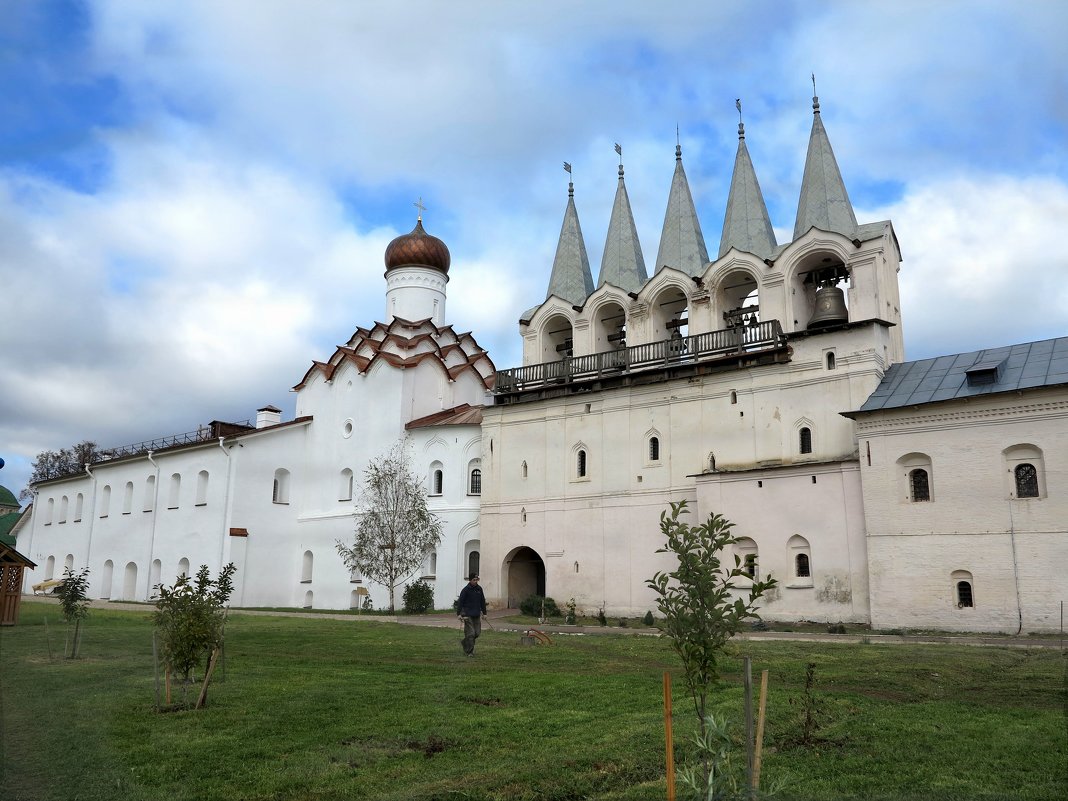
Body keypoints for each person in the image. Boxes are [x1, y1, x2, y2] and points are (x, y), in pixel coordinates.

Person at [457, 574, 487, 656]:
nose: (475, 581)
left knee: (477, 633)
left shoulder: (479, 589)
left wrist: (484, 613)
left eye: (477, 580)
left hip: (476, 614)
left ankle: (465, 642)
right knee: (471, 634)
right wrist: (459, 614)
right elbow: (460, 602)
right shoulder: (465, 590)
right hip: (467, 615)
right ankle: (469, 652)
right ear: (470, 580)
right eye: (474, 580)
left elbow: (482, 601)